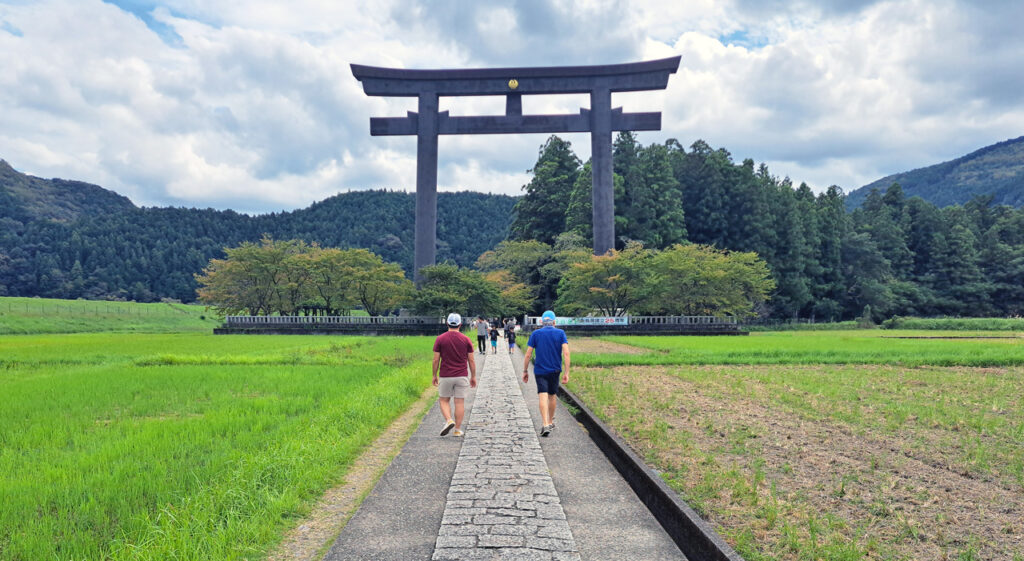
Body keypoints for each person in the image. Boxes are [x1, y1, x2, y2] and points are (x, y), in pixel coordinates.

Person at [521, 310, 569, 437]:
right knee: (552, 396)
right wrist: (567, 372)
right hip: (555, 370)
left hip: (540, 370)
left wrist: (525, 371)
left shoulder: (536, 334)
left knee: (542, 395)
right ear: (554, 322)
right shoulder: (560, 333)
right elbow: (566, 353)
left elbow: (528, 354)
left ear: (542, 321)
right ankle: (550, 421)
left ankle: (544, 424)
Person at [433, 313, 477, 437]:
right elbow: (471, 360)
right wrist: (473, 376)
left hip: (446, 375)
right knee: (459, 403)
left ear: (447, 323)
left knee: (443, 400)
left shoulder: (440, 339)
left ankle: (448, 420)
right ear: (460, 325)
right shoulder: (466, 339)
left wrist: (434, 375)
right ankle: (457, 429)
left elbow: (436, 360)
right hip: (462, 375)